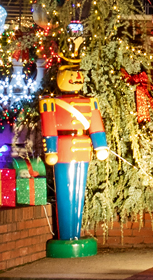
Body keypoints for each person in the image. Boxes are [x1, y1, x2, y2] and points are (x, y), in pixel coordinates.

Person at [39, 55, 108, 258]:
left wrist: (100, 146)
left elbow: (96, 126)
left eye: (78, 74)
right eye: (71, 74)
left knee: (79, 191)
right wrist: (50, 150)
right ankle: (67, 234)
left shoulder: (89, 102)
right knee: (65, 191)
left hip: (82, 147)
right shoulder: (52, 103)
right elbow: (49, 128)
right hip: (63, 147)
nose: (76, 77)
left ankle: (75, 234)